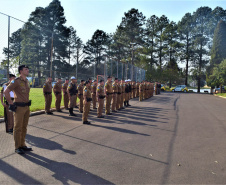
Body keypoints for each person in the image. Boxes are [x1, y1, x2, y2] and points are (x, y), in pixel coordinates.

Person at [4, 65, 32, 154]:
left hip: (27, 107)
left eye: (28, 69)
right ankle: (17, 147)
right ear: (20, 71)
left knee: (24, 127)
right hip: (19, 107)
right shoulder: (15, 81)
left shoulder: (27, 81)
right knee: (18, 127)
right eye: (26, 69)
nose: (28, 70)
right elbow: (6, 92)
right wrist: (11, 103)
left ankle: (22, 144)